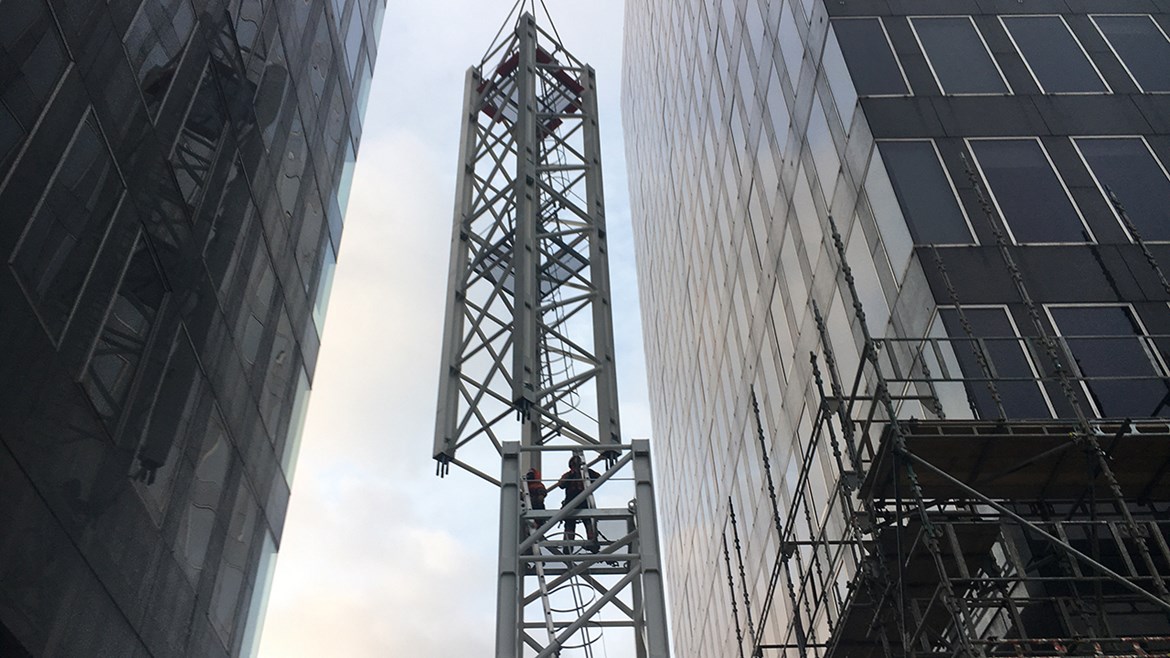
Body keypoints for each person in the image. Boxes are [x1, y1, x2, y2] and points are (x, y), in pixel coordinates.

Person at [547, 454, 600, 550]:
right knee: (570, 524)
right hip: (572, 502)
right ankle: (568, 546)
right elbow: (561, 484)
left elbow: (598, 478)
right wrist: (571, 475)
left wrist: (587, 473)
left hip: (583, 501)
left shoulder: (586, 473)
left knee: (588, 522)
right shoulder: (569, 475)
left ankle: (592, 543)